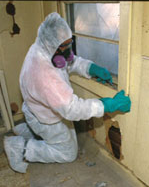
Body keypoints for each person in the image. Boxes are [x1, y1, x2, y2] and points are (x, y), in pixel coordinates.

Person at [4, 12, 131, 173]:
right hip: (44, 118)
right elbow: (71, 109)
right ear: (54, 46)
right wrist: (106, 105)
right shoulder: (44, 75)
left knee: (69, 136)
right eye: (65, 45)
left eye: (69, 42)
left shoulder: (43, 47)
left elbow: (68, 61)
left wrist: (91, 68)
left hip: (37, 107)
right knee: (68, 152)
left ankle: (27, 130)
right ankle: (20, 148)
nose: (69, 49)